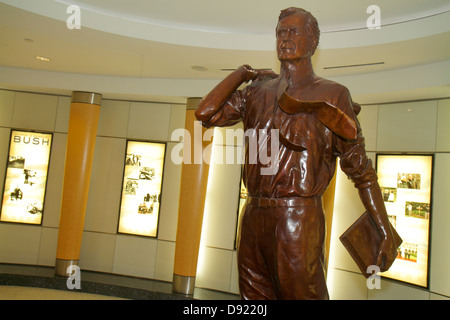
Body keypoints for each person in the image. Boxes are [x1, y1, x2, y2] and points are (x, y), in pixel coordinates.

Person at [195, 7, 398, 300]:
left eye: (294, 31)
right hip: (252, 215)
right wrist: (242, 73)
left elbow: (361, 171)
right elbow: (205, 113)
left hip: (298, 219)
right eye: (280, 32)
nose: (285, 38)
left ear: (313, 42)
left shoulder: (332, 94)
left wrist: (384, 227)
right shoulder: (256, 92)